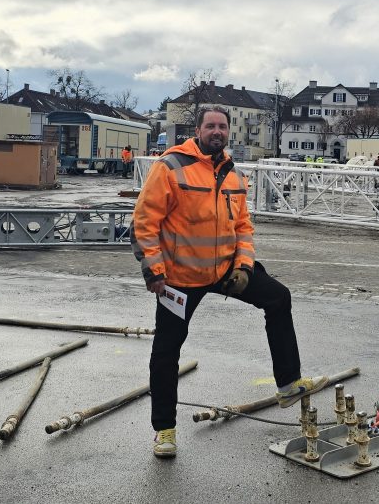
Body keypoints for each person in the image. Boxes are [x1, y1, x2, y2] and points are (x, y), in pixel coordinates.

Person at [131, 106, 327, 459]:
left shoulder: (233, 174)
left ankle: (287, 384)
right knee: (166, 352)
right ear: (198, 129)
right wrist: (154, 273)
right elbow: (144, 223)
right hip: (179, 277)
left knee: (278, 298)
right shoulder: (171, 166)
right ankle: (164, 430)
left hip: (224, 271)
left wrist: (245, 268)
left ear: (228, 131)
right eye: (211, 126)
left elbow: (243, 228)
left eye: (222, 126)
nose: (217, 131)